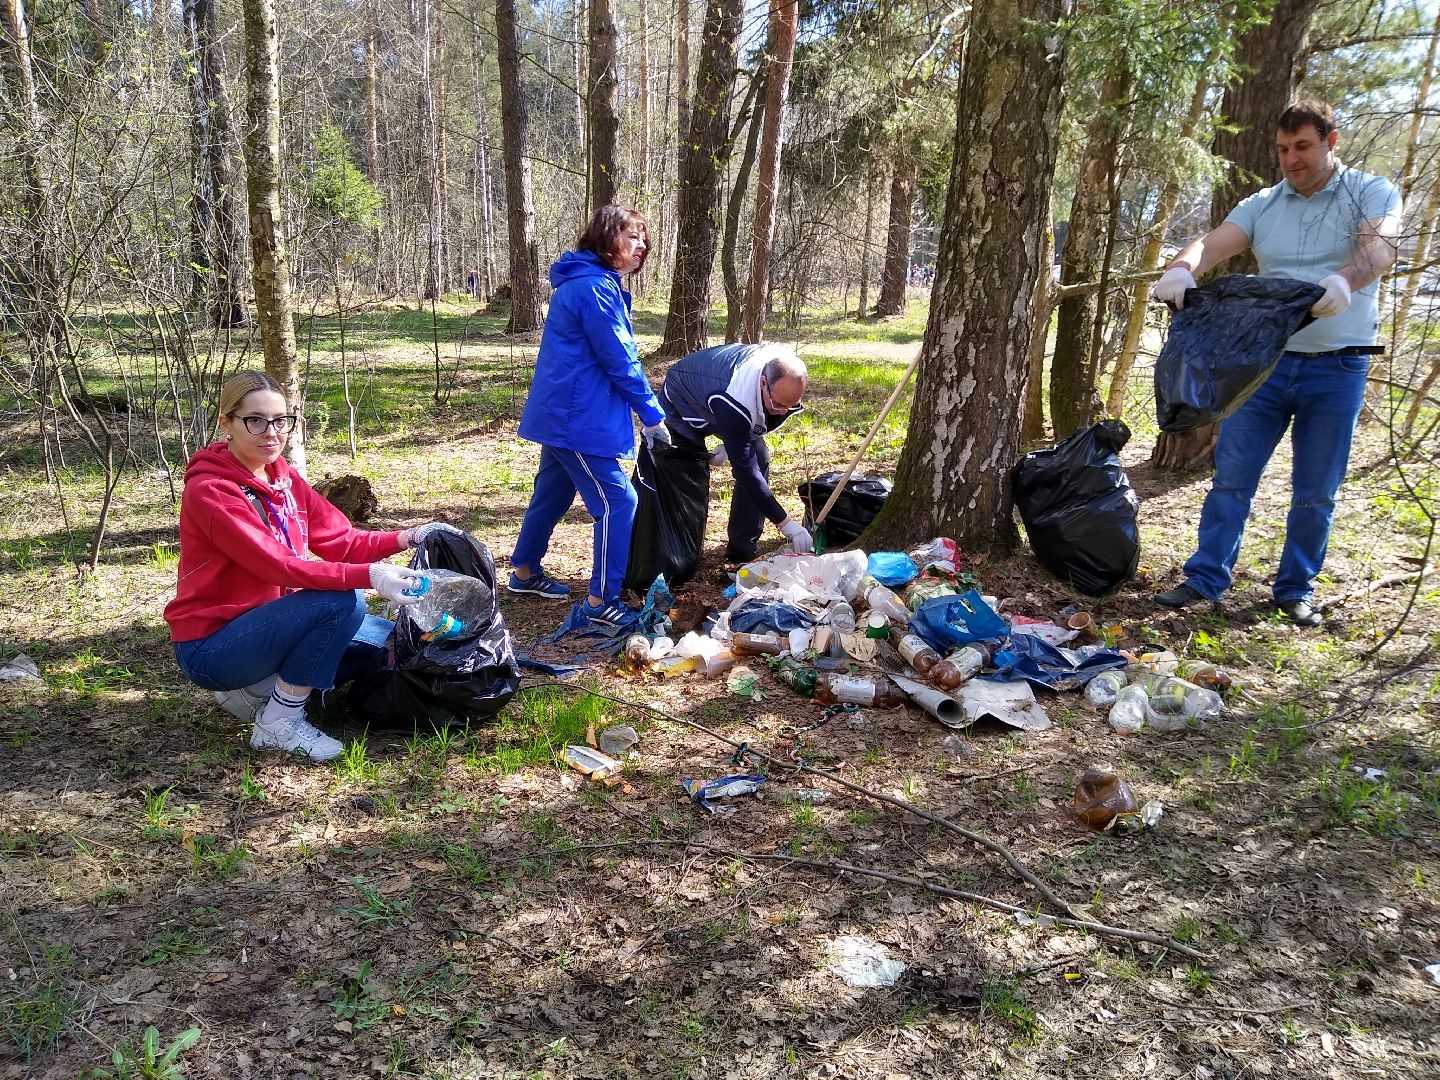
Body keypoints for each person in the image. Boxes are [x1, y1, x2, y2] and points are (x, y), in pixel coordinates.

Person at [1151, 100, 1401, 627]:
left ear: (1331, 143)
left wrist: (1343, 281)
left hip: (1338, 367)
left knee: (1316, 490)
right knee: (1232, 478)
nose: (1292, 159)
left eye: (1304, 147)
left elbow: (1379, 251)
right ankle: (1205, 578)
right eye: (1284, 149)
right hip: (1262, 367)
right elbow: (1212, 243)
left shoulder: (1368, 192)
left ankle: (1294, 589)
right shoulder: (1265, 204)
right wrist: (1180, 268)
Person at [165, 371, 463, 761]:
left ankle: (268, 689)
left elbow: (340, 540)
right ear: (227, 423)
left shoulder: (282, 479)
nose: (271, 432)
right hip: (214, 646)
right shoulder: (211, 491)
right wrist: (371, 577)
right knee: (342, 603)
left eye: (280, 421)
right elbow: (278, 567)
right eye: (255, 420)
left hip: (271, 622)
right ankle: (277, 721)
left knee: (390, 643)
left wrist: (412, 535)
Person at [509, 204, 670, 628]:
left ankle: (524, 571)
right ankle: (601, 601)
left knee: (553, 492)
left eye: (643, 238)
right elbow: (621, 358)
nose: (642, 245)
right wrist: (651, 414)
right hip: (576, 419)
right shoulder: (595, 288)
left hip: (567, 411)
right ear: (606, 239)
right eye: (632, 236)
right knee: (618, 502)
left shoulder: (588, 283)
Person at [659, 342, 811, 563]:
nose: (782, 412)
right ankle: (677, 554)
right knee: (686, 467)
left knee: (760, 459)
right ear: (763, 382)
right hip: (684, 396)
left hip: (722, 399)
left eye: (789, 406)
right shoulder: (734, 399)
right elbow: (746, 472)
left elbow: (755, 431)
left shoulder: (785, 372)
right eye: (777, 404)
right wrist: (785, 523)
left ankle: (742, 548)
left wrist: (733, 445)